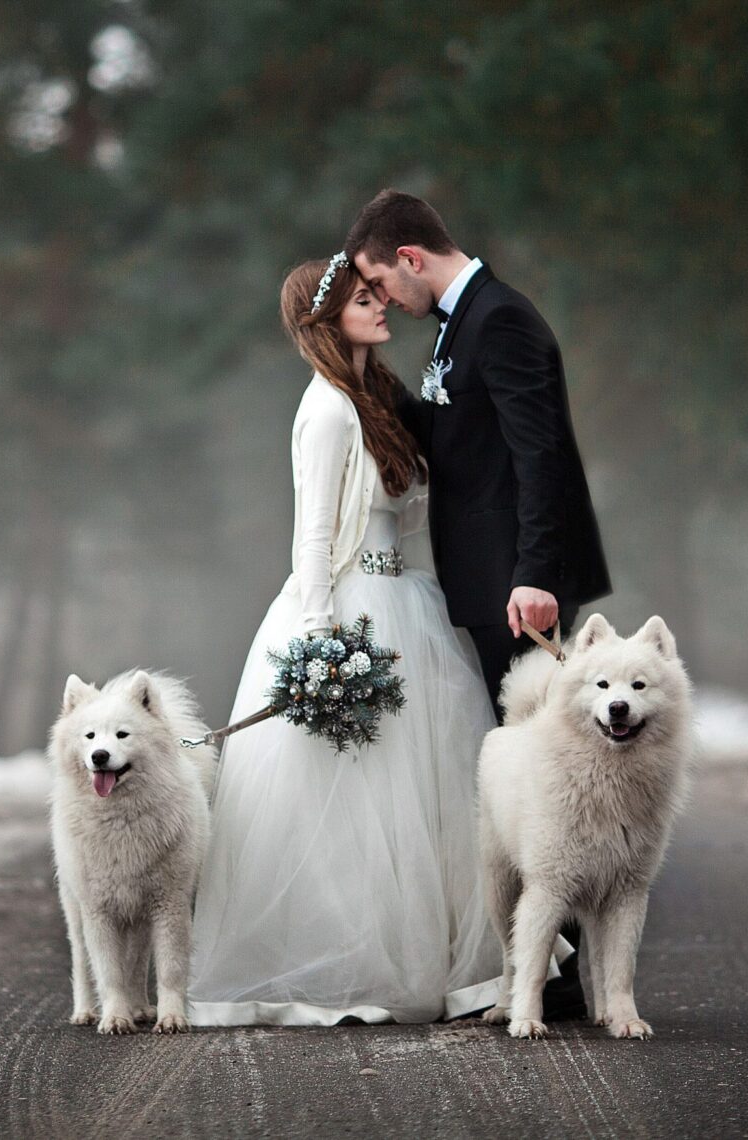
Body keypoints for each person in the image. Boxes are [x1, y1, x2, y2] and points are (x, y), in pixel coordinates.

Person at [185, 255, 507, 1025]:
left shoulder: (376, 400)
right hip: (350, 610)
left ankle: (440, 959)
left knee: (423, 792)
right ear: (326, 320)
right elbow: (315, 534)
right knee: (354, 798)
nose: (382, 305)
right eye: (365, 299)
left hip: (405, 601)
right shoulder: (327, 409)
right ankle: (351, 967)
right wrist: (322, 640)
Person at [346, 189, 612, 1021]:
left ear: (411, 259)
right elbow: (462, 435)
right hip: (490, 579)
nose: (384, 299)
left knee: (551, 776)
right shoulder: (460, 326)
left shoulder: (499, 319)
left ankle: (560, 979)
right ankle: (546, 966)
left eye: (381, 282)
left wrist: (535, 573)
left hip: (518, 587)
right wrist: (369, 385)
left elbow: (541, 455)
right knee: (531, 774)